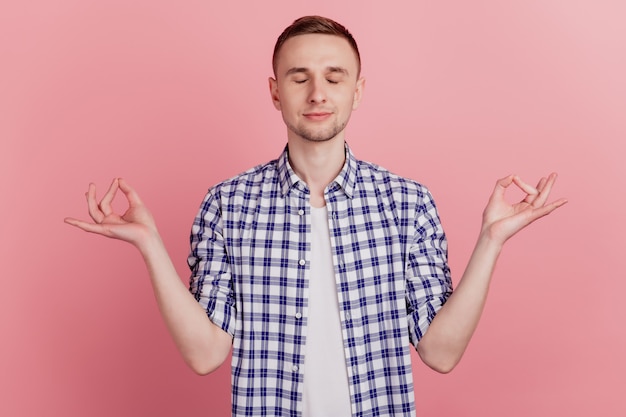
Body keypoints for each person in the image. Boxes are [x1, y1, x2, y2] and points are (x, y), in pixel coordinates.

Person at [65, 15, 567, 417]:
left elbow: (440, 353)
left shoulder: (408, 203)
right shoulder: (228, 205)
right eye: (299, 77)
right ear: (275, 91)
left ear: (358, 90)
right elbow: (205, 355)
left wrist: (492, 240)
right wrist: (150, 244)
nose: (317, 93)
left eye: (334, 76)